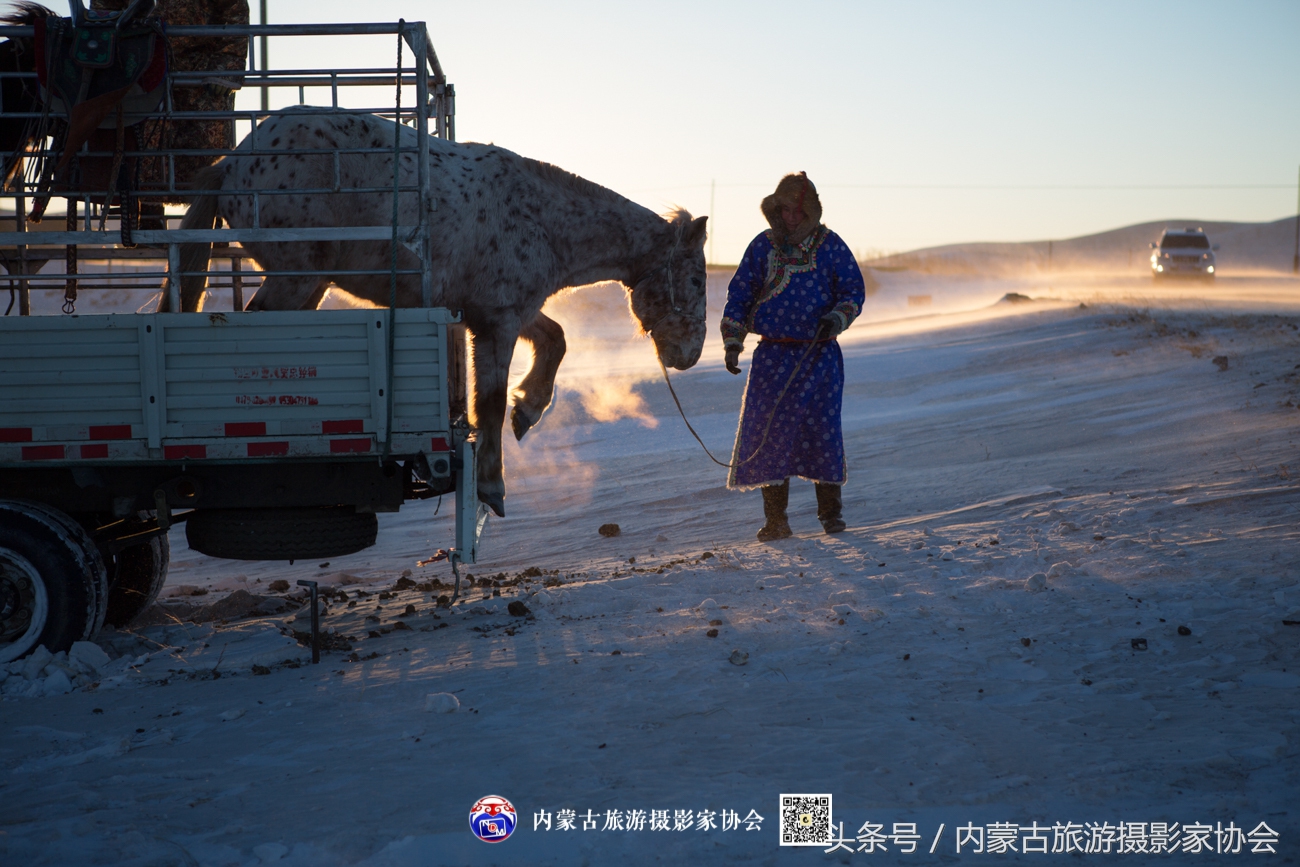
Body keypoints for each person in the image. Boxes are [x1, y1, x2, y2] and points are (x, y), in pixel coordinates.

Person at [721, 172, 866, 540]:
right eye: (784, 210)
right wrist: (733, 341)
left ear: (811, 212)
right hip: (771, 357)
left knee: (821, 432)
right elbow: (740, 294)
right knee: (769, 434)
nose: (790, 218)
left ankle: (830, 515)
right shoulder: (762, 246)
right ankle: (776, 521)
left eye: (797, 212)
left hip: (819, 356)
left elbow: (853, 291)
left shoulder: (831, 246)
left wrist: (837, 318)